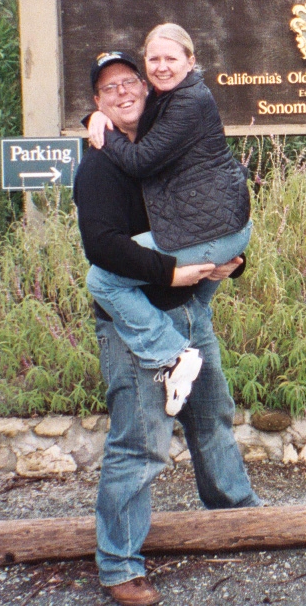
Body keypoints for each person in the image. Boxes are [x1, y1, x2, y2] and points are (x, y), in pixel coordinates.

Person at [74, 51, 262, 606]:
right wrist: (170, 272)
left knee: (212, 422)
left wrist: (231, 262)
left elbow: (211, 211)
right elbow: (102, 248)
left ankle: (238, 520)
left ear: (145, 87)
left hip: (190, 313)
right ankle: (119, 565)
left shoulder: (165, 142)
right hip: (137, 329)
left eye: (129, 81)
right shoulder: (100, 165)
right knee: (141, 446)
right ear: (98, 103)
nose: (123, 92)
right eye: (109, 89)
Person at [84, 24, 253, 416]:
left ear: (190, 62)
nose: (161, 66)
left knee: (101, 281)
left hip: (211, 239)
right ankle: (185, 345)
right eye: (154, 59)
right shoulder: (164, 103)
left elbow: (142, 162)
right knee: (206, 420)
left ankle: (173, 354)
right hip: (217, 236)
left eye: (171, 58)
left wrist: (99, 127)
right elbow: (102, 242)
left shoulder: (186, 102)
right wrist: (96, 117)